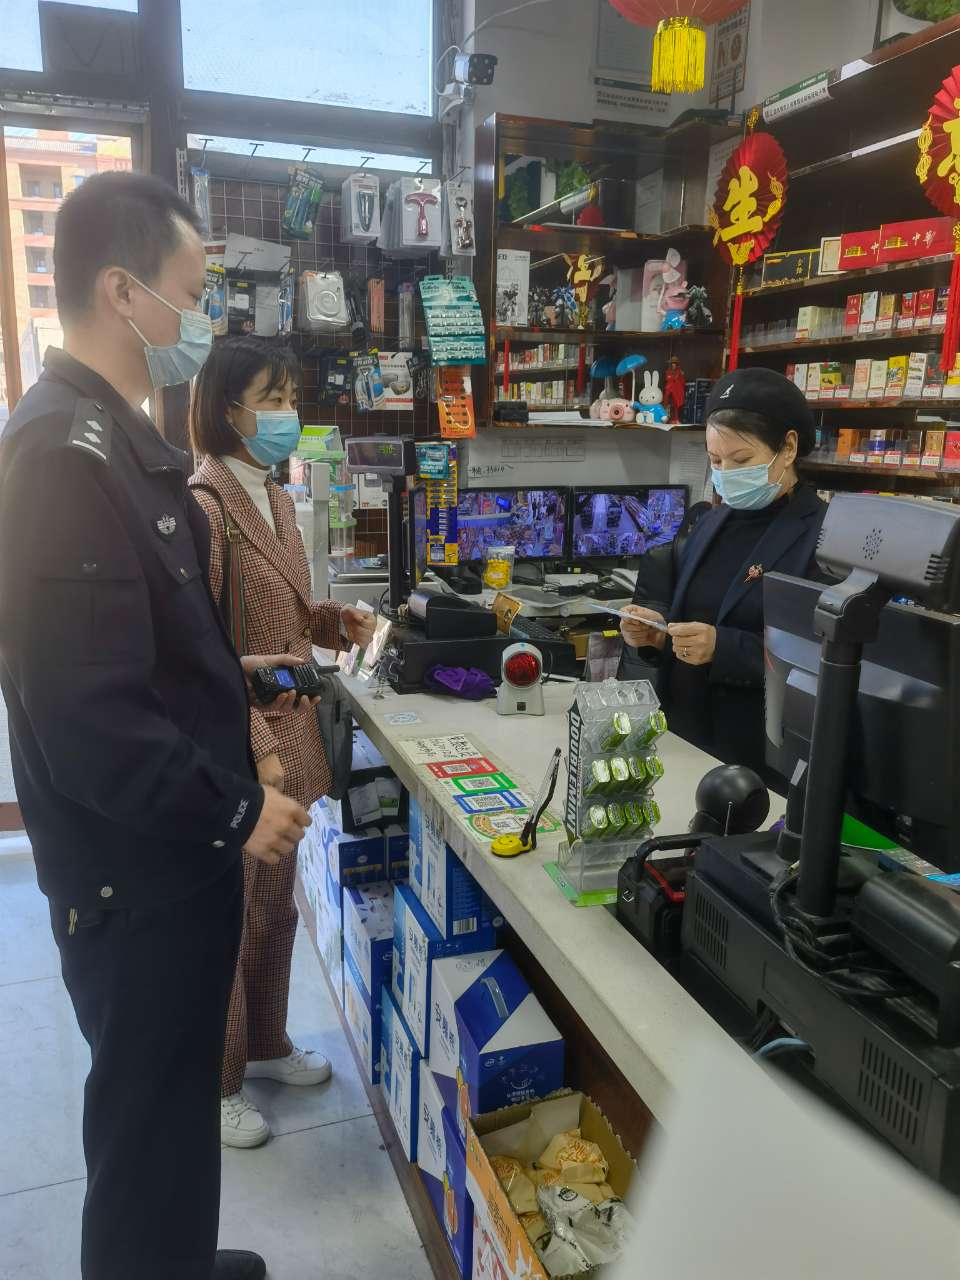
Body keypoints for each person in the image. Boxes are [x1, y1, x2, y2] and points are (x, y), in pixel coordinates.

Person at [0, 171, 314, 1280]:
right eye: (191, 291)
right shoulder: (63, 455)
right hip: (132, 874)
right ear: (122, 292)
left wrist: (238, 684)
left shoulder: (116, 441)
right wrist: (236, 807)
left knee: (176, 1098)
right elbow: (87, 716)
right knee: (142, 1123)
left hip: (168, 859)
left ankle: (178, 1260)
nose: (203, 316)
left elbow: (155, 644)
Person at [188, 335, 375, 1149]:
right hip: (243, 750)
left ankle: (264, 1043)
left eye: (290, 397)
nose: (287, 414)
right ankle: (218, 1081)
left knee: (274, 910)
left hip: (289, 746)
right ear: (226, 408)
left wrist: (333, 621)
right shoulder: (205, 507)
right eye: (271, 399)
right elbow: (200, 652)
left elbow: (283, 615)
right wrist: (256, 744)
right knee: (227, 922)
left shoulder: (274, 495)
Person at [620, 367, 828, 780]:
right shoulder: (712, 522)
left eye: (741, 460)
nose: (726, 473)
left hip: (756, 757)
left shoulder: (822, 538)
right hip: (683, 739)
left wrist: (723, 648)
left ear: (788, 448)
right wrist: (657, 631)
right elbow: (695, 611)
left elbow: (819, 661)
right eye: (715, 460)